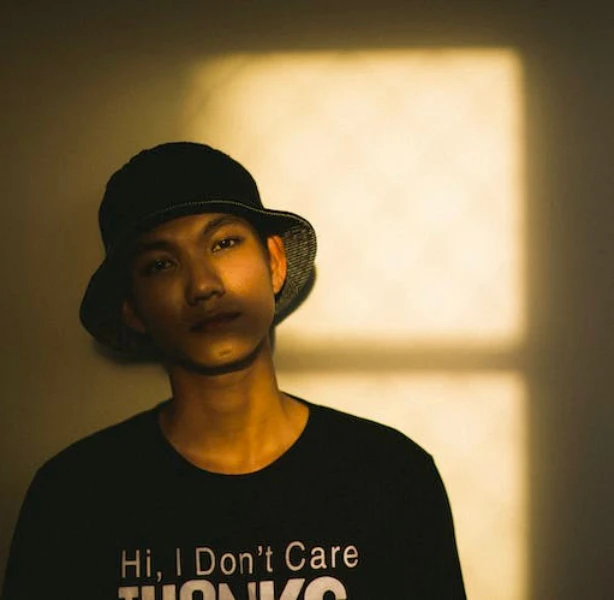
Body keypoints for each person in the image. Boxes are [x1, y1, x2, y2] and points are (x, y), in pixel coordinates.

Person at [1, 142, 467, 599]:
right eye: (160, 264)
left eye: (223, 243)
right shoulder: (75, 499)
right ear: (133, 310)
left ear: (275, 262)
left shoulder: (390, 478)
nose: (203, 285)